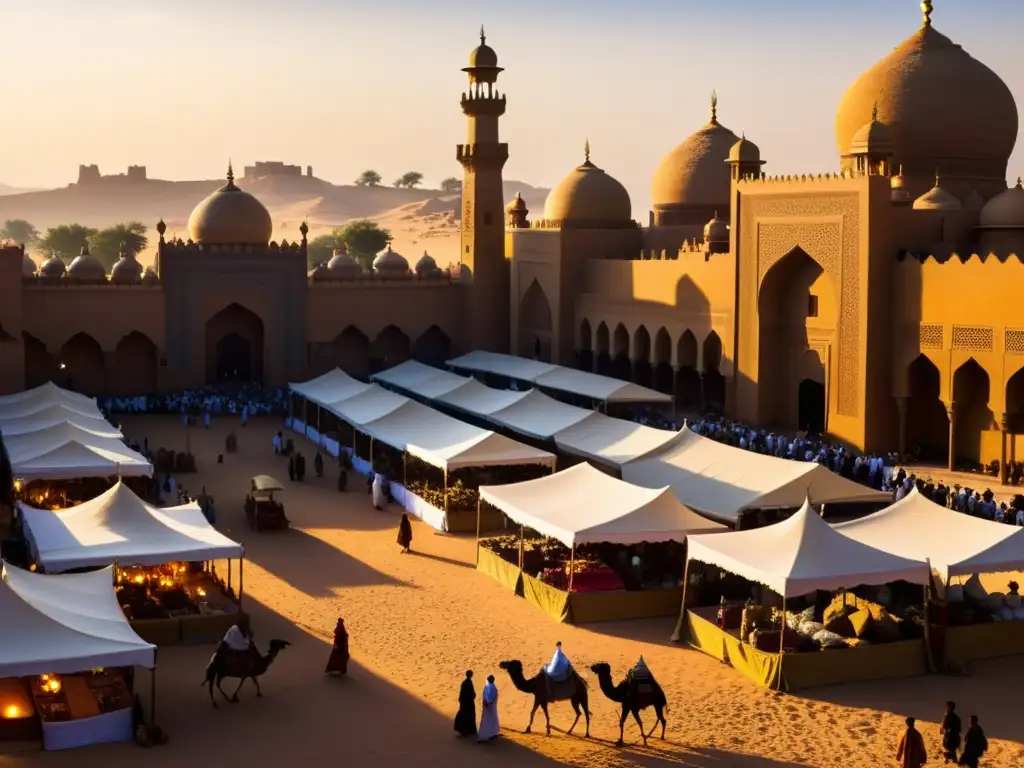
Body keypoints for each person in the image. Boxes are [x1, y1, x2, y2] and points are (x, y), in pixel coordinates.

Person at [454, 670, 476, 737]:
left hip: (464, 702)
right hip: (468, 703)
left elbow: (462, 693)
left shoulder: (464, 682)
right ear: (471, 675)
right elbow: (470, 693)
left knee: (464, 715)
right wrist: (473, 695)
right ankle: (467, 730)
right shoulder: (468, 682)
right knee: (469, 715)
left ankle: (465, 730)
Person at [477, 674, 499, 742]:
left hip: (489, 707)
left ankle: (488, 734)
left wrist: (487, 703)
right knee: (491, 719)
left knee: (488, 720)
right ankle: (492, 733)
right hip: (490, 707)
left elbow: (489, 699)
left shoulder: (491, 687)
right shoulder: (490, 687)